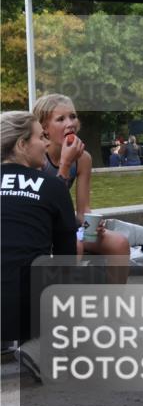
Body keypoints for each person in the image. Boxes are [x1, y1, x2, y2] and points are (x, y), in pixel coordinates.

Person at [32, 94, 130, 281]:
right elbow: (44, 205)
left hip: (66, 226)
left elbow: (83, 210)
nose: (70, 124)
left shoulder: (83, 158)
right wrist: (65, 163)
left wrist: (92, 225)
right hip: (41, 226)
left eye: (73, 116)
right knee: (74, 247)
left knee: (119, 243)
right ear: (44, 129)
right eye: (60, 119)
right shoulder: (37, 158)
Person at [1, 111, 78, 344]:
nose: (47, 143)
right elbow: (66, 259)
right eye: (41, 137)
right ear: (22, 145)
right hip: (27, 316)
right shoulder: (53, 186)